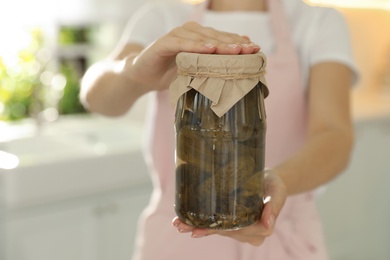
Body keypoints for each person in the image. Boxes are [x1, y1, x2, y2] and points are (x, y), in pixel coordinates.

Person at [80, 0, 358, 259]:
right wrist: (134, 71)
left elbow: (335, 136)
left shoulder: (317, 23)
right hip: (178, 238)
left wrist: (279, 180)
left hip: (283, 236)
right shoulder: (165, 17)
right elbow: (96, 97)